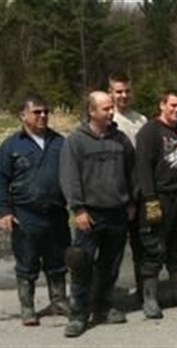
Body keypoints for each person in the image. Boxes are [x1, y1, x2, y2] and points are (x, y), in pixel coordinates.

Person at [60, 91, 135, 337]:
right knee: (82, 265)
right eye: (105, 108)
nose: (111, 111)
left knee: (110, 265)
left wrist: (131, 201)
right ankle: (79, 315)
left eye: (111, 107)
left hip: (117, 213)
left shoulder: (121, 139)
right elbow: (69, 177)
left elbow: (131, 172)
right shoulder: (76, 141)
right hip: (89, 215)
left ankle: (103, 306)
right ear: (91, 111)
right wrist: (78, 209)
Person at [0, 95, 71, 326]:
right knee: (27, 263)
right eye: (37, 112)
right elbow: (1, 180)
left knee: (57, 261)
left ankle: (59, 301)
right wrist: (4, 211)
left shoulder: (60, 142)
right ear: (23, 116)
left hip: (56, 214)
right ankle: (28, 307)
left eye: (46, 112)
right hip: (25, 216)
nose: (43, 116)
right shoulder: (11, 146)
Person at [135, 89, 177, 319]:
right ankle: (150, 298)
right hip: (158, 198)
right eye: (172, 105)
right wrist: (150, 200)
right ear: (162, 105)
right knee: (154, 249)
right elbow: (142, 168)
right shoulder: (149, 132)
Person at [108, 73, 148, 302]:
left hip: (138, 191)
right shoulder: (106, 119)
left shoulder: (139, 120)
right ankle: (107, 294)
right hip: (114, 193)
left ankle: (144, 292)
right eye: (118, 91)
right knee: (112, 250)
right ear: (110, 91)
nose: (123, 95)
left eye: (126, 91)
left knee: (141, 246)